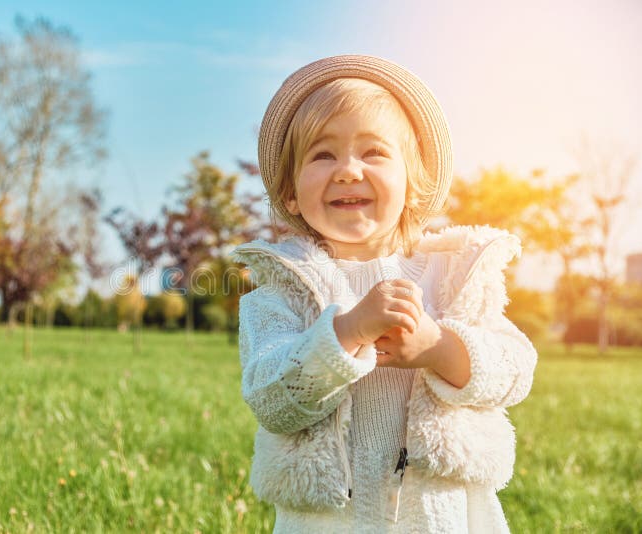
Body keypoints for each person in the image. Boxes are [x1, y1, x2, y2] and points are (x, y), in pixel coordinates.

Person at [229, 55, 538, 533]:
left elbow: (514, 369)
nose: (349, 170)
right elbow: (272, 398)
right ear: (290, 192)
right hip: (329, 521)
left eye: (373, 153)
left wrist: (439, 348)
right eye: (322, 155)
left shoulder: (453, 275)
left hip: (440, 516)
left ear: (412, 182)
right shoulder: (282, 289)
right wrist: (347, 331)